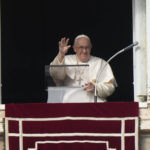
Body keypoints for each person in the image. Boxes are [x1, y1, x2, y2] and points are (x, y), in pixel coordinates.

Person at [49, 34, 117, 102]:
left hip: (94, 104)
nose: (84, 51)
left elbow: (110, 86)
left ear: (91, 48)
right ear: (74, 48)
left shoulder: (101, 63)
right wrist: (61, 54)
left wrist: (96, 88)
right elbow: (56, 75)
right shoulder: (65, 60)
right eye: (81, 47)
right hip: (70, 103)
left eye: (87, 47)